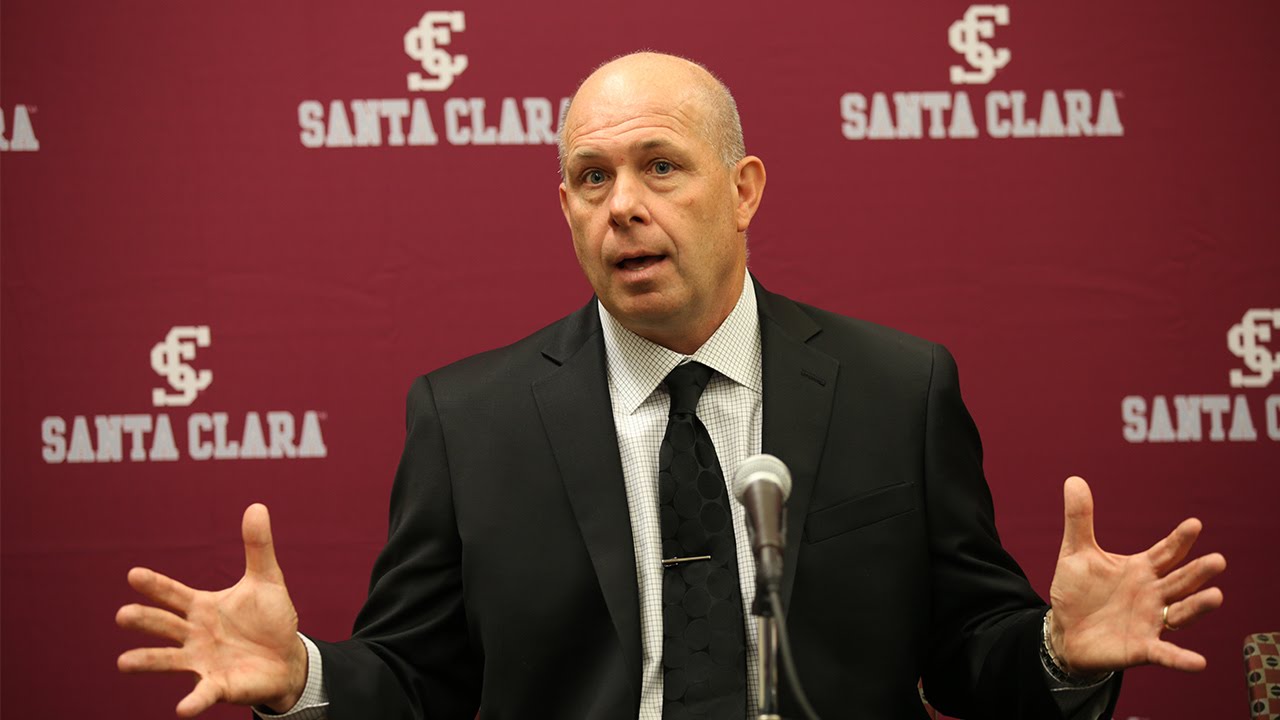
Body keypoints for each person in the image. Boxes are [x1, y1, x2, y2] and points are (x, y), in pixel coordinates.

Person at [116, 52, 1226, 719]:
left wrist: (1051, 652)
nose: (621, 206)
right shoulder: (468, 419)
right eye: (590, 179)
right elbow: (416, 683)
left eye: (659, 167)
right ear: (563, 210)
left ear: (740, 189)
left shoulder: (898, 387)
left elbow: (964, 655)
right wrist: (299, 675)